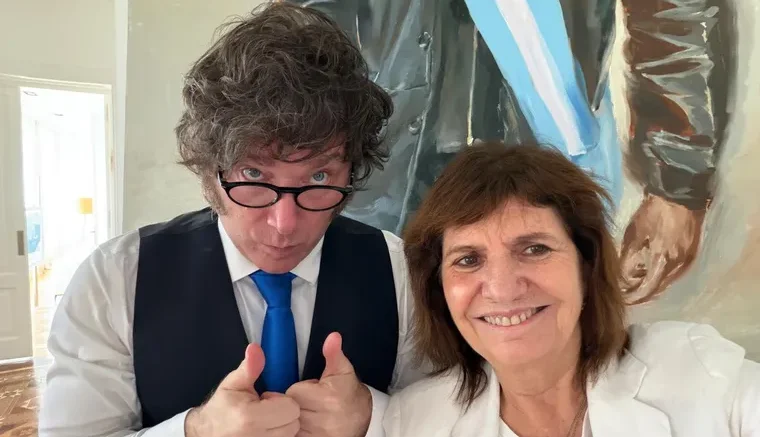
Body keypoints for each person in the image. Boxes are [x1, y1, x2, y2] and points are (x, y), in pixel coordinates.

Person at [38, 4, 425, 437]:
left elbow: (453, 415)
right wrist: (195, 431)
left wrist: (378, 418)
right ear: (209, 170)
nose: (284, 223)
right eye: (254, 174)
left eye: (319, 177)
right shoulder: (114, 279)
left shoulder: (399, 270)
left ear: (351, 172)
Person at [285, 0, 735, 305]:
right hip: (380, 160)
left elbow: (673, 11)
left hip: (552, 143)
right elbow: (304, 24)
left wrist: (677, 179)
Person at [385, 141, 760, 436]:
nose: (502, 289)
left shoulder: (703, 376)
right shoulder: (412, 424)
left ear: (587, 265)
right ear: (439, 287)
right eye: (468, 259)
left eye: (535, 249)